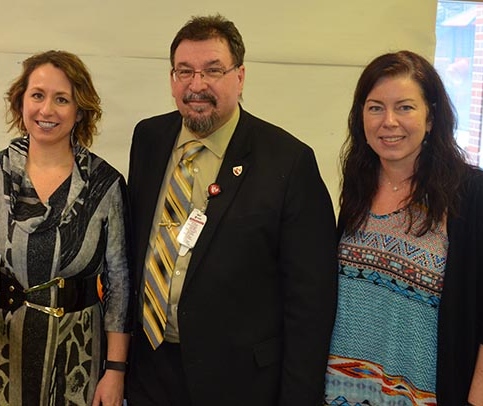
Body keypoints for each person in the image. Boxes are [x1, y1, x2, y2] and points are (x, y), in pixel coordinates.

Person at [125, 14, 338, 405]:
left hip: (239, 383)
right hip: (150, 373)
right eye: (184, 71)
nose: (197, 85)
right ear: (172, 78)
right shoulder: (149, 139)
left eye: (213, 70)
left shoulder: (288, 163)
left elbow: (310, 302)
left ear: (239, 77)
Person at [0, 50, 132, 406]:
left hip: (78, 360)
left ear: (80, 111)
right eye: (37, 95)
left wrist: (116, 370)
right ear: (21, 102)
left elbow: (119, 284)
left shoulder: (105, 185)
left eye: (61, 99)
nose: (46, 110)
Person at [325, 50, 483, 405]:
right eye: (375, 107)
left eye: (405, 107)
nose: (389, 121)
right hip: (340, 390)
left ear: (430, 118)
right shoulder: (357, 189)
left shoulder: (470, 194)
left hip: (424, 394)